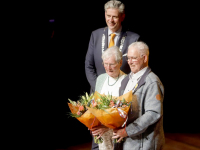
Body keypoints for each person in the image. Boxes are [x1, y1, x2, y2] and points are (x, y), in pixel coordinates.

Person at [112, 41, 165, 150]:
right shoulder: (126, 80)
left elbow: (153, 113)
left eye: (133, 58)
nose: (129, 62)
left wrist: (127, 131)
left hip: (144, 144)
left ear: (144, 58)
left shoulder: (152, 82)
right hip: (126, 141)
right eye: (128, 58)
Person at [85, 0, 140, 95]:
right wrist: (99, 88)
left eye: (114, 17)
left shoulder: (133, 39)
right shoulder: (95, 35)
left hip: (122, 95)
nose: (110, 20)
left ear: (122, 17)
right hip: (98, 94)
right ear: (105, 14)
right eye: (108, 16)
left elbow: (137, 70)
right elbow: (89, 66)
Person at [90, 46, 127, 150]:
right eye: (105, 64)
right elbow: (95, 103)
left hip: (118, 133)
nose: (108, 67)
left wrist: (107, 127)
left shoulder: (127, 80)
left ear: (120, 63)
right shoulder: (100, 79)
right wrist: (93, 124)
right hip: (101, 133)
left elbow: (127, 112)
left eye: (112, 64)